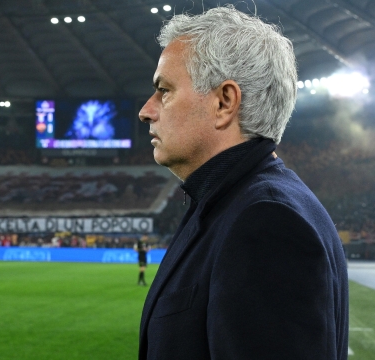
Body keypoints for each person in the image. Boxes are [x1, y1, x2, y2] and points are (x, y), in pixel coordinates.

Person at [137, 6, 348, 360]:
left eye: (164, 90)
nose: (146, 109)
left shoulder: (266, 222)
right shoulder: (235, 203)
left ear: (224, 102)